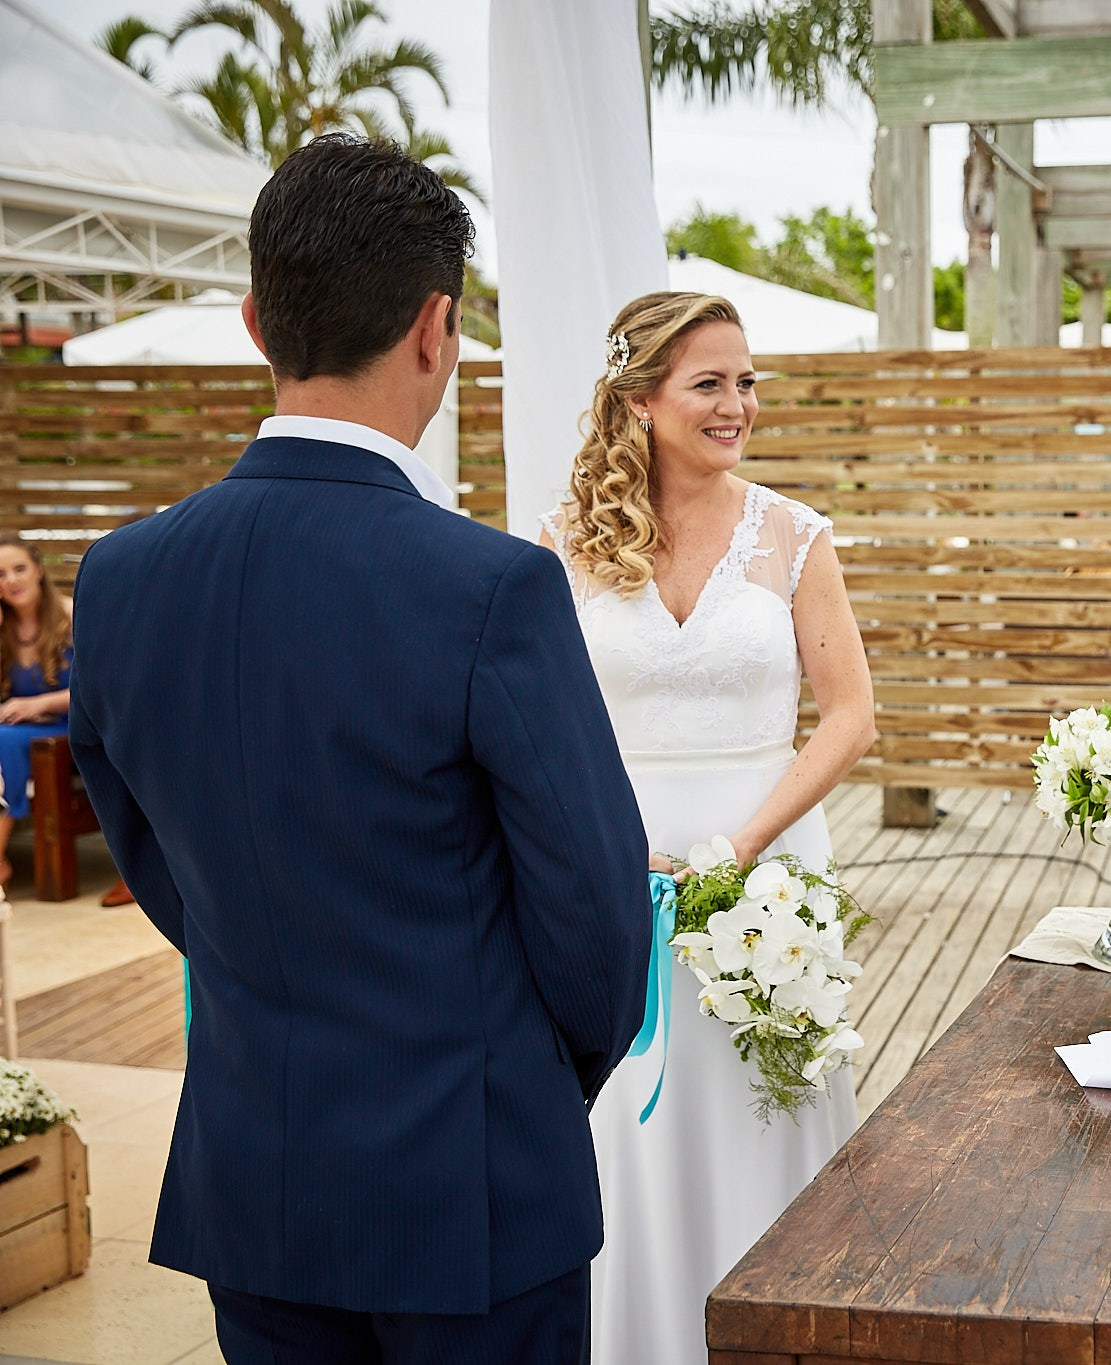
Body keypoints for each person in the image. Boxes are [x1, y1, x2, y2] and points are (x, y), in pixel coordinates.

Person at [67, 134, 652, 1363]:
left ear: (252, 321)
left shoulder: (118, 581)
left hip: (256, 1181)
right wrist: (539, 1091)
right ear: (437, 328)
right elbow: (595, 912)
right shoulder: (491, 587)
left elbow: (161, 868)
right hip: (473, 1191)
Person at [541, 290, 877, 1365]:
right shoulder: (562, 544)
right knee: (629, 1114)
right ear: (640, 399)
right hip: (615, 871)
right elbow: (539, 726)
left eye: (746, 381)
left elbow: (851, 718)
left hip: (768, 870)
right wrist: (597, 842)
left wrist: (739, 849)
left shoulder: (794, 535)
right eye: (709, 383)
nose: (736, 404)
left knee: (764, 1102)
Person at [0, 534, 71, 887]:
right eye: (0, 574)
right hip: (24, 726)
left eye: (19, 569)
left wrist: (37, 704)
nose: (10, 580)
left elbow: (99, 689)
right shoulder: (5, 629)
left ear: (39, 570)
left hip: (72, 725)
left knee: (3, 740)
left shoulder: (72, 616)